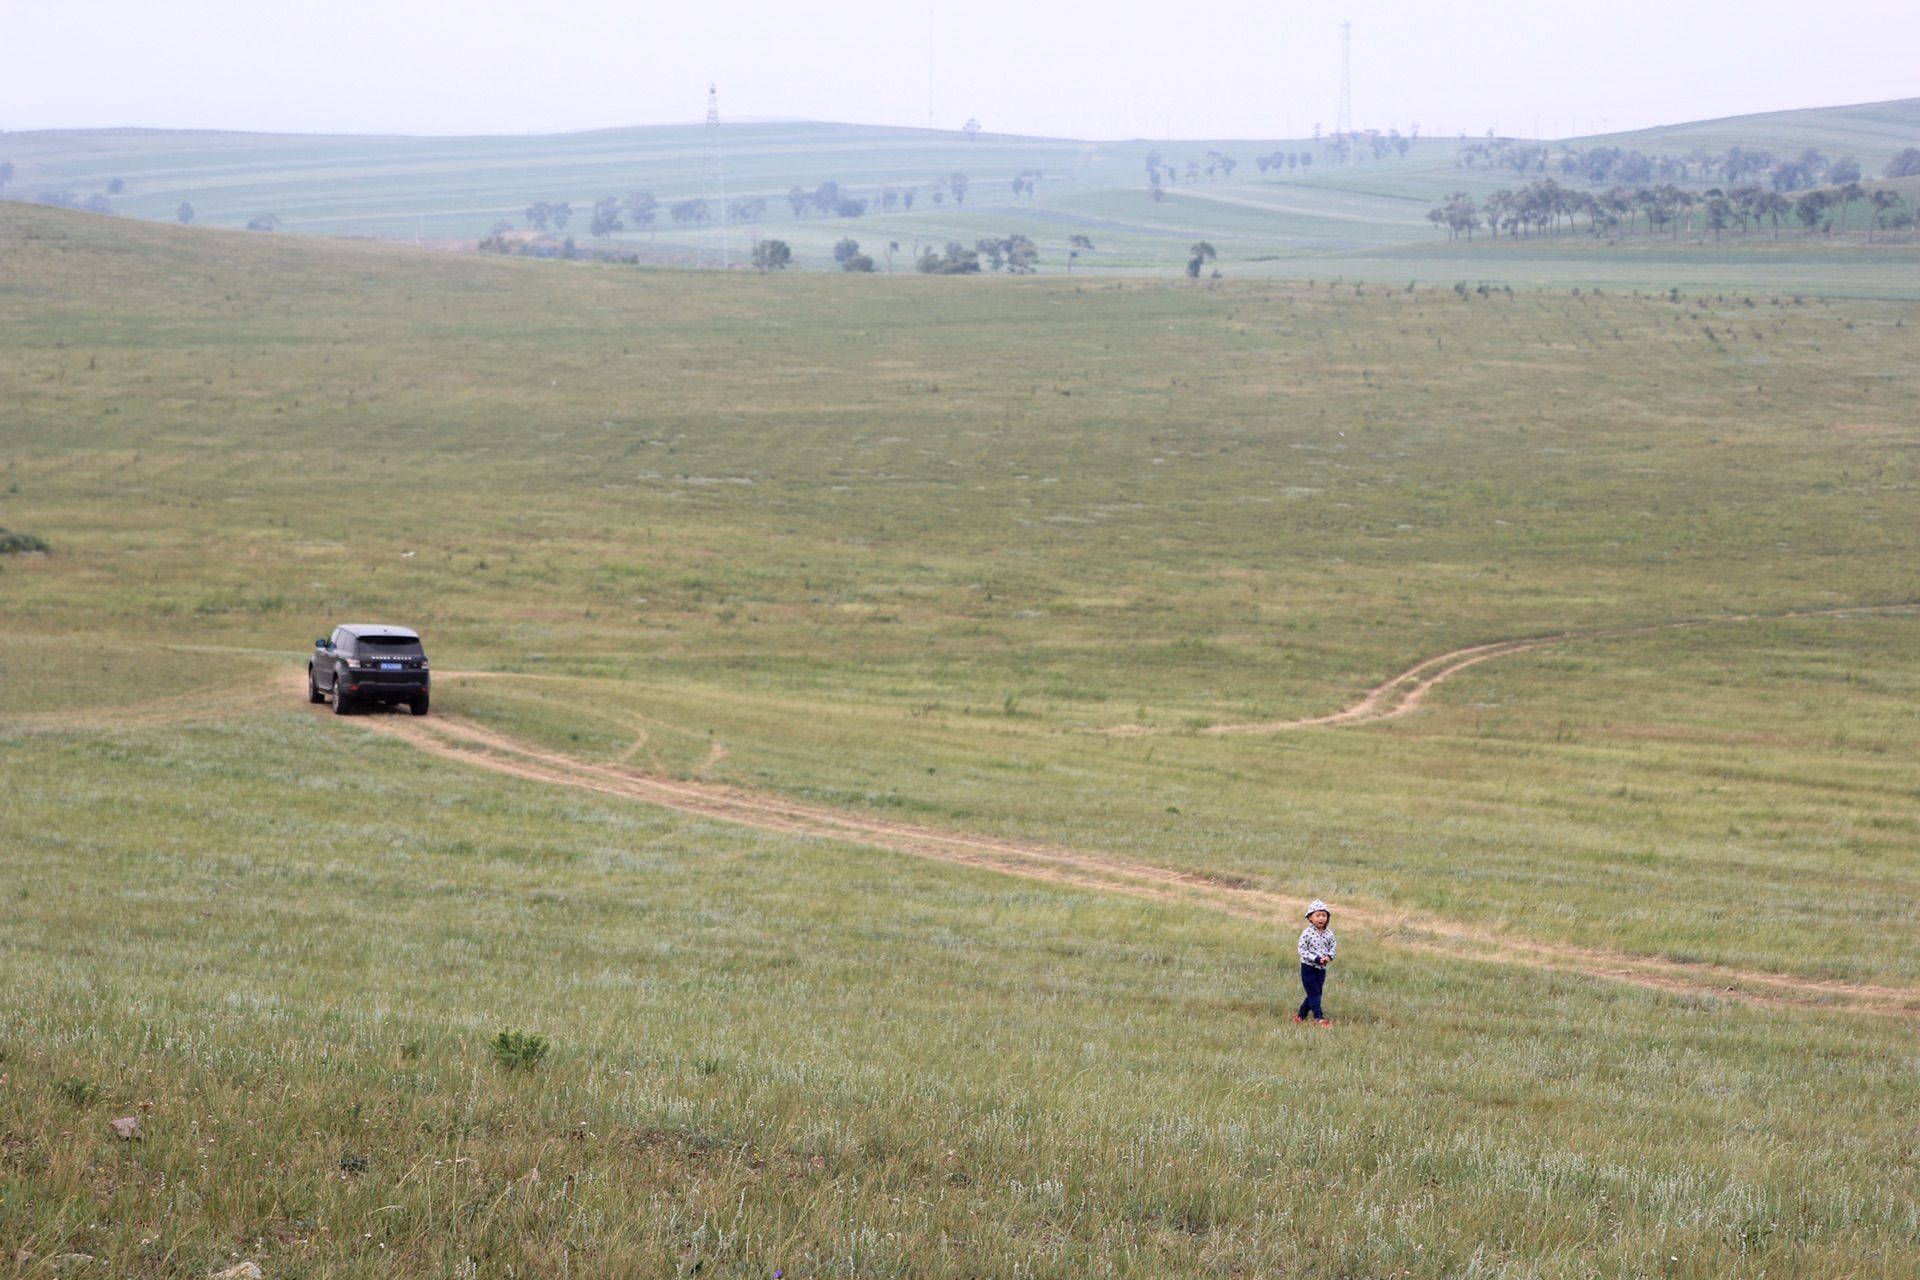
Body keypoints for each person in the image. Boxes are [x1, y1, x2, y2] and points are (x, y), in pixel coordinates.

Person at [1294, 899, 1336, 1026]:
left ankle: (1301, 1016)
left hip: (1321, 969)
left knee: (1317, 992)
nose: (1321, 918)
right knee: (1314, 992)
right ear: (1310, 918)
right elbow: (1301, 950)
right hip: (1308, 968)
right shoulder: (1307, 933)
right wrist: (1316, 958)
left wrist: (1329, 957)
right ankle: (1319, 1017)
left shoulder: (1329, 934)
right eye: (1317, 915)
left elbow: (1333, 947)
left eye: (1324, 915)